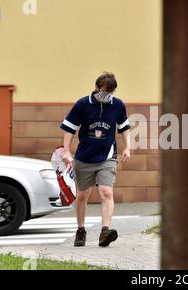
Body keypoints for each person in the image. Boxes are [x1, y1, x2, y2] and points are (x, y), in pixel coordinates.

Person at [60, 72, 131, 247]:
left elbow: (124, 127)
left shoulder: (118, 105)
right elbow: (69, 128)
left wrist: (127, 147)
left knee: (106, 192)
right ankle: (81, 229)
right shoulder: (83, 104)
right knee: (83, 195)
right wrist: (66, 151)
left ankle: (105, 230)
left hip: (107, 157)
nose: (108, 95)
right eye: (105, 91)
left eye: (111, 92)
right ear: (97, 88)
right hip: (84, 157)